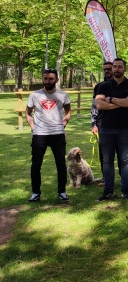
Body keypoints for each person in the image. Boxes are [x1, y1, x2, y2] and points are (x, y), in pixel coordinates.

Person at [95, 58, 128, 201]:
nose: (116, 69)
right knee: (107, 160)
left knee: (125, 160)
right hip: (106, 129)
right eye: (114, 67)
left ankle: (126, 190)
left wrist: (111, 99)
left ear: (124, 69)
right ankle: (108, 190)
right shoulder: (103, 86)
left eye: (120, 67)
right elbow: (99, 105)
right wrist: (122, 102)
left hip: (124, 129)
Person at [26, 69, 71, 202]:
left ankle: (62, 192)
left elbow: (68, 112)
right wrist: (33, 128)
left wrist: (63, 125)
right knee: (36, 165)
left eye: (51, 79)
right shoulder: (34, 95)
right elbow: (28, 113)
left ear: (56, 80)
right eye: (45, 78)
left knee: (61, 164)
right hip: (40, 135)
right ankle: (35, 193)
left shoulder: (63, 96)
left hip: (57, 134)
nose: (48, 81)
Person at [91, 61, 120, 175]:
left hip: (120, 123)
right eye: (105, 69)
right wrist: (93, 124)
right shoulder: (99, 86)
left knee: (122, 154)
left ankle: (123, 177)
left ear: (113, 69)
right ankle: (106, 178)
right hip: (102, 123)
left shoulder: (121, 84)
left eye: (109, 68)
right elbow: (95, 106)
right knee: (104, 154)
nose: (107, 71)